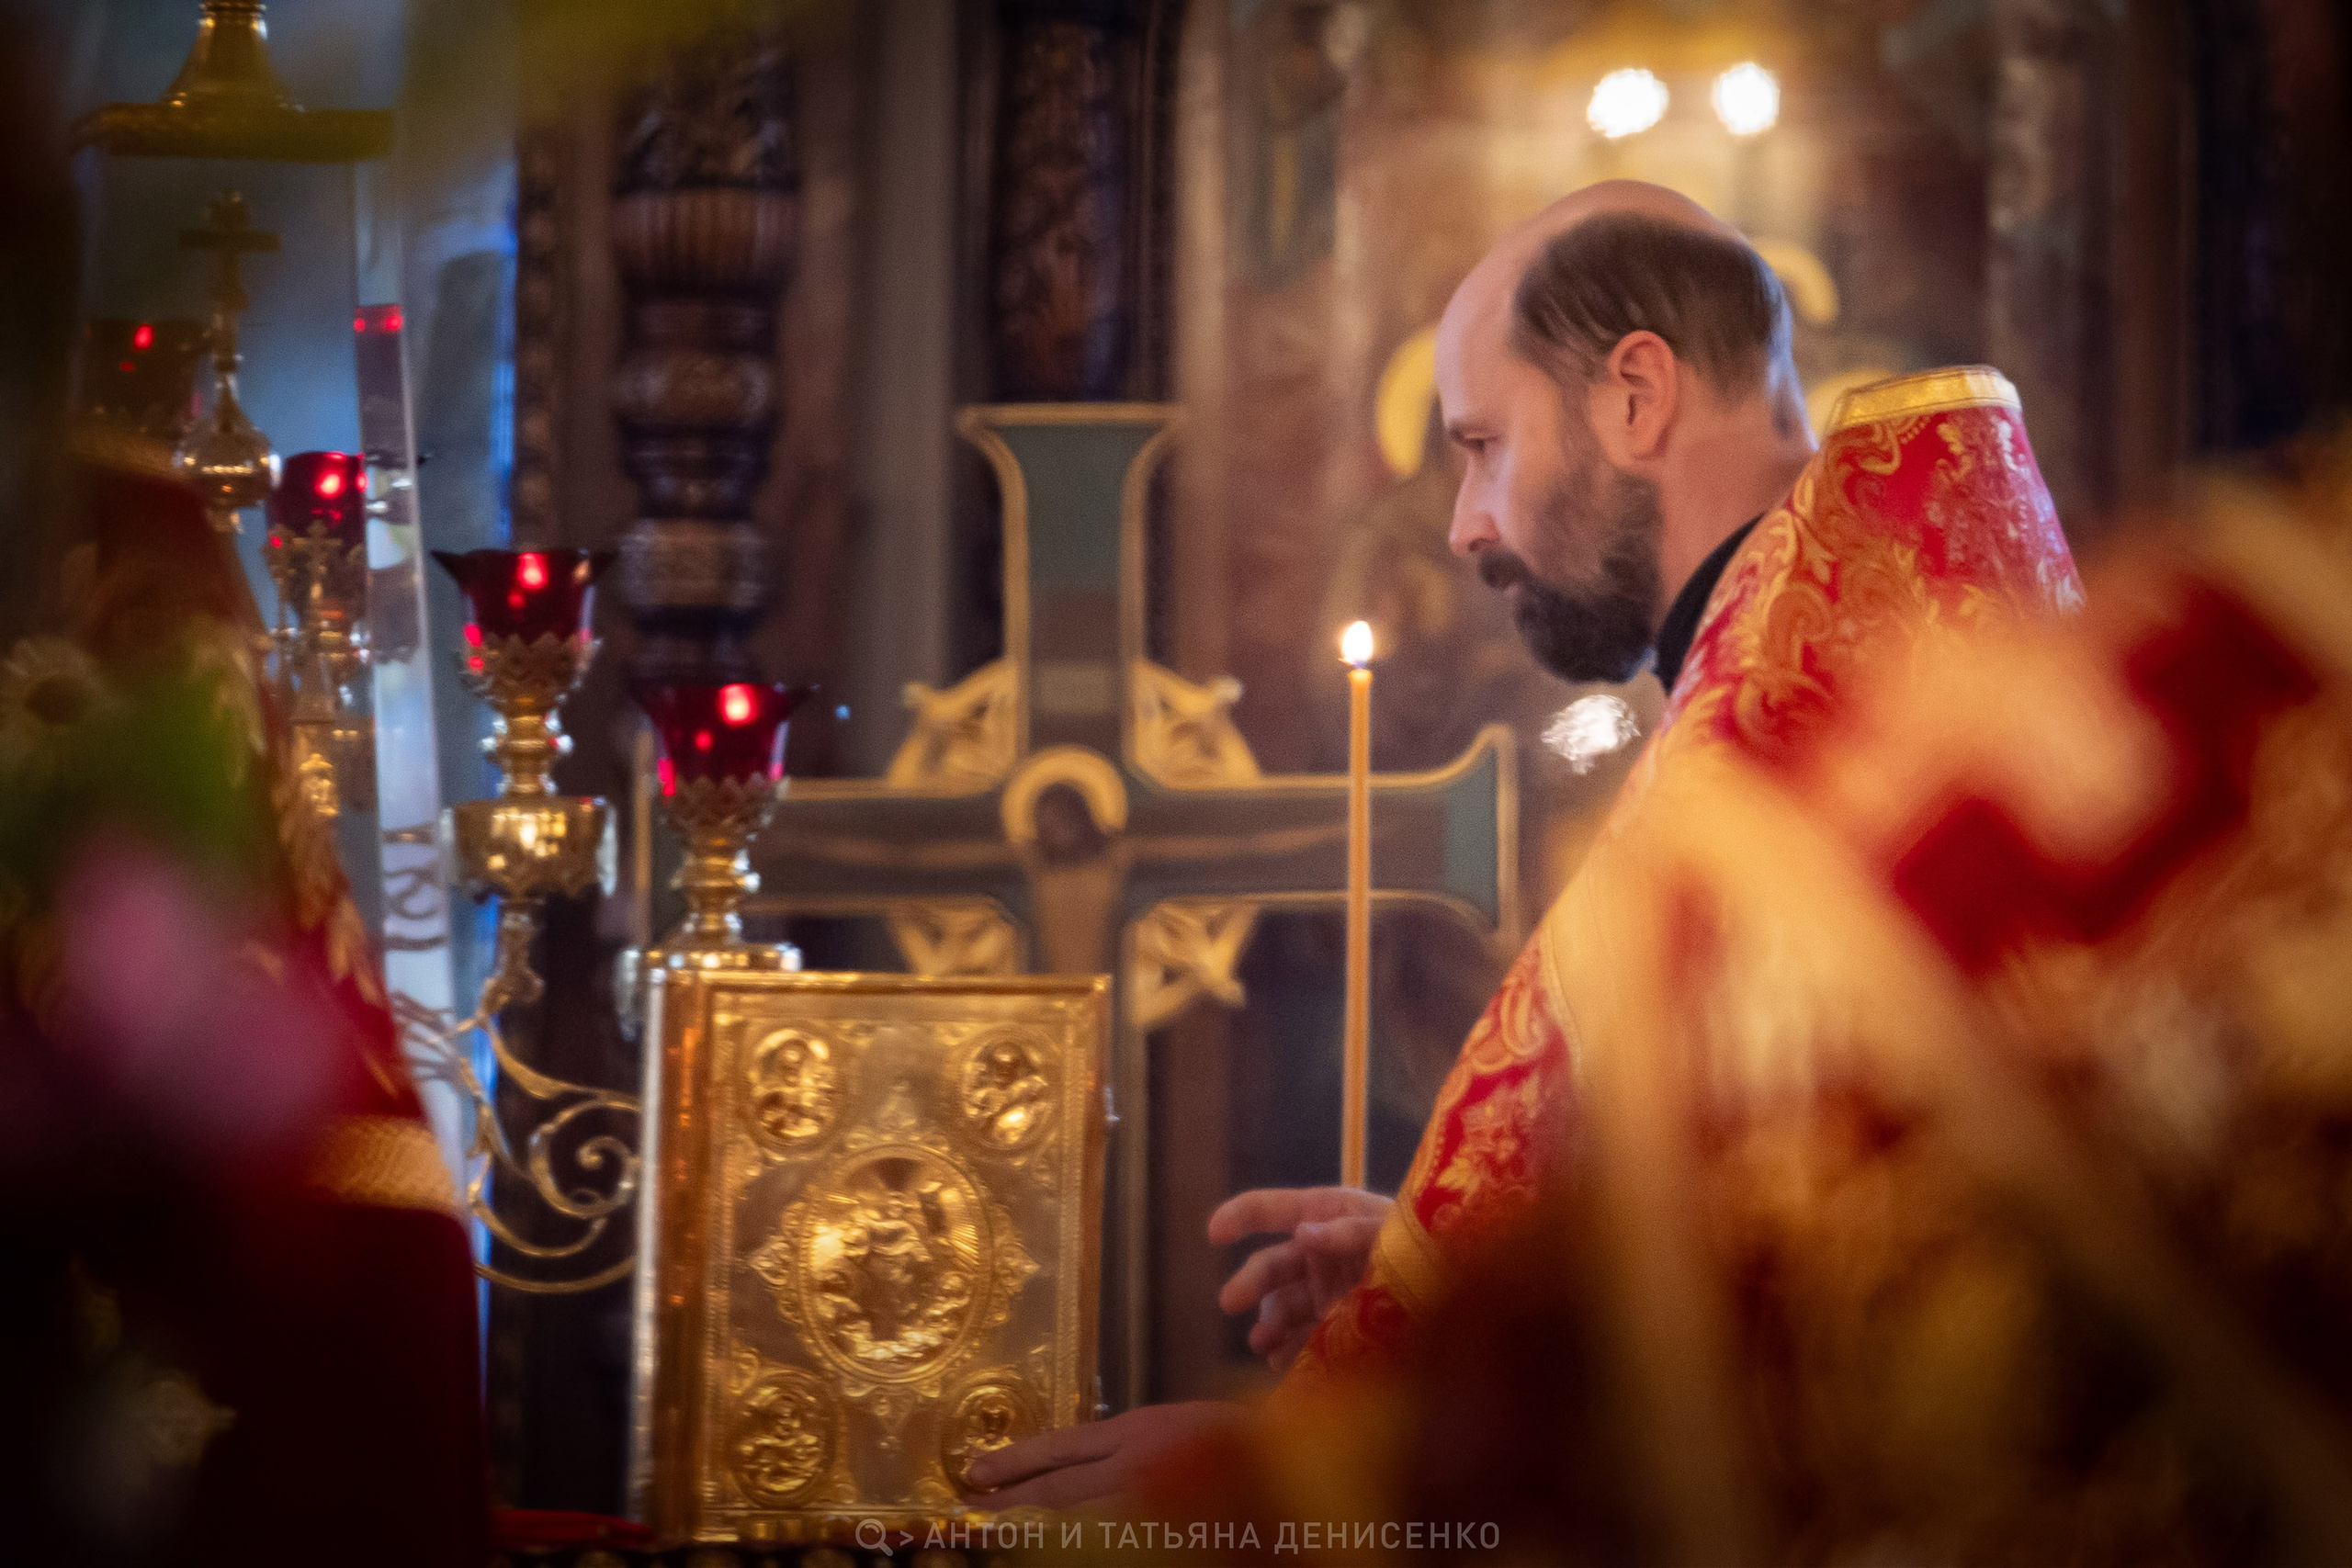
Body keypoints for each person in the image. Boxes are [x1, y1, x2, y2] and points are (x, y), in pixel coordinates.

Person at [963, 178, 2083, 1509]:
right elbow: (1772, 1232)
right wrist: (1464, 1288)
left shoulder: (1793, 752)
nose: (1462, 524)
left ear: (1634, 397)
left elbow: (1838, 1349)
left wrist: (1274, 1467)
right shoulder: (1849, 650)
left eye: (1483, 444)